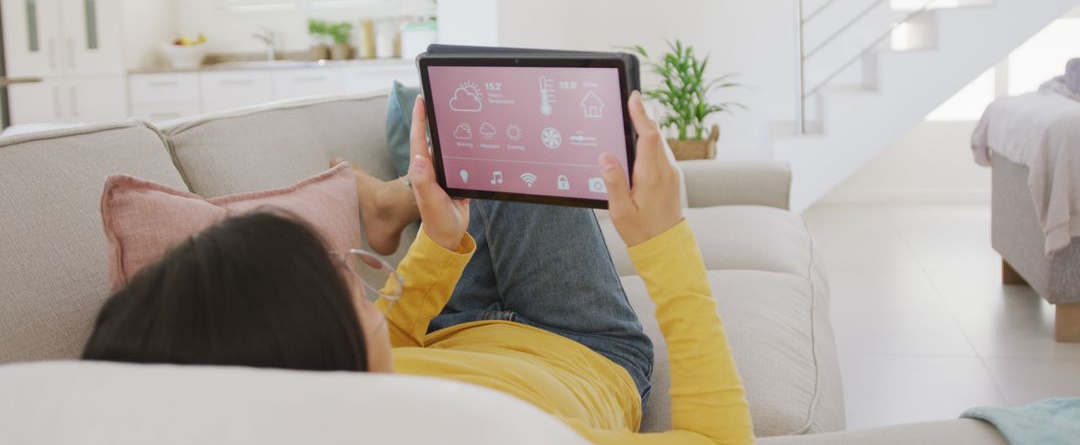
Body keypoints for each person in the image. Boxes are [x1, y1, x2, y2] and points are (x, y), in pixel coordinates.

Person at [83, 92, 753, 444]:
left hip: (450, 328)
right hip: (582, 349)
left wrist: (438, 240)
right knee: (523, 154)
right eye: (342, 286)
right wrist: (665, 241)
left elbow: (389, 343)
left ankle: (394, 204)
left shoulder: (334, 389)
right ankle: (391, 199)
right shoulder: (498, 437)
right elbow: (718, 441)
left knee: (487, 147)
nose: (356, 280)